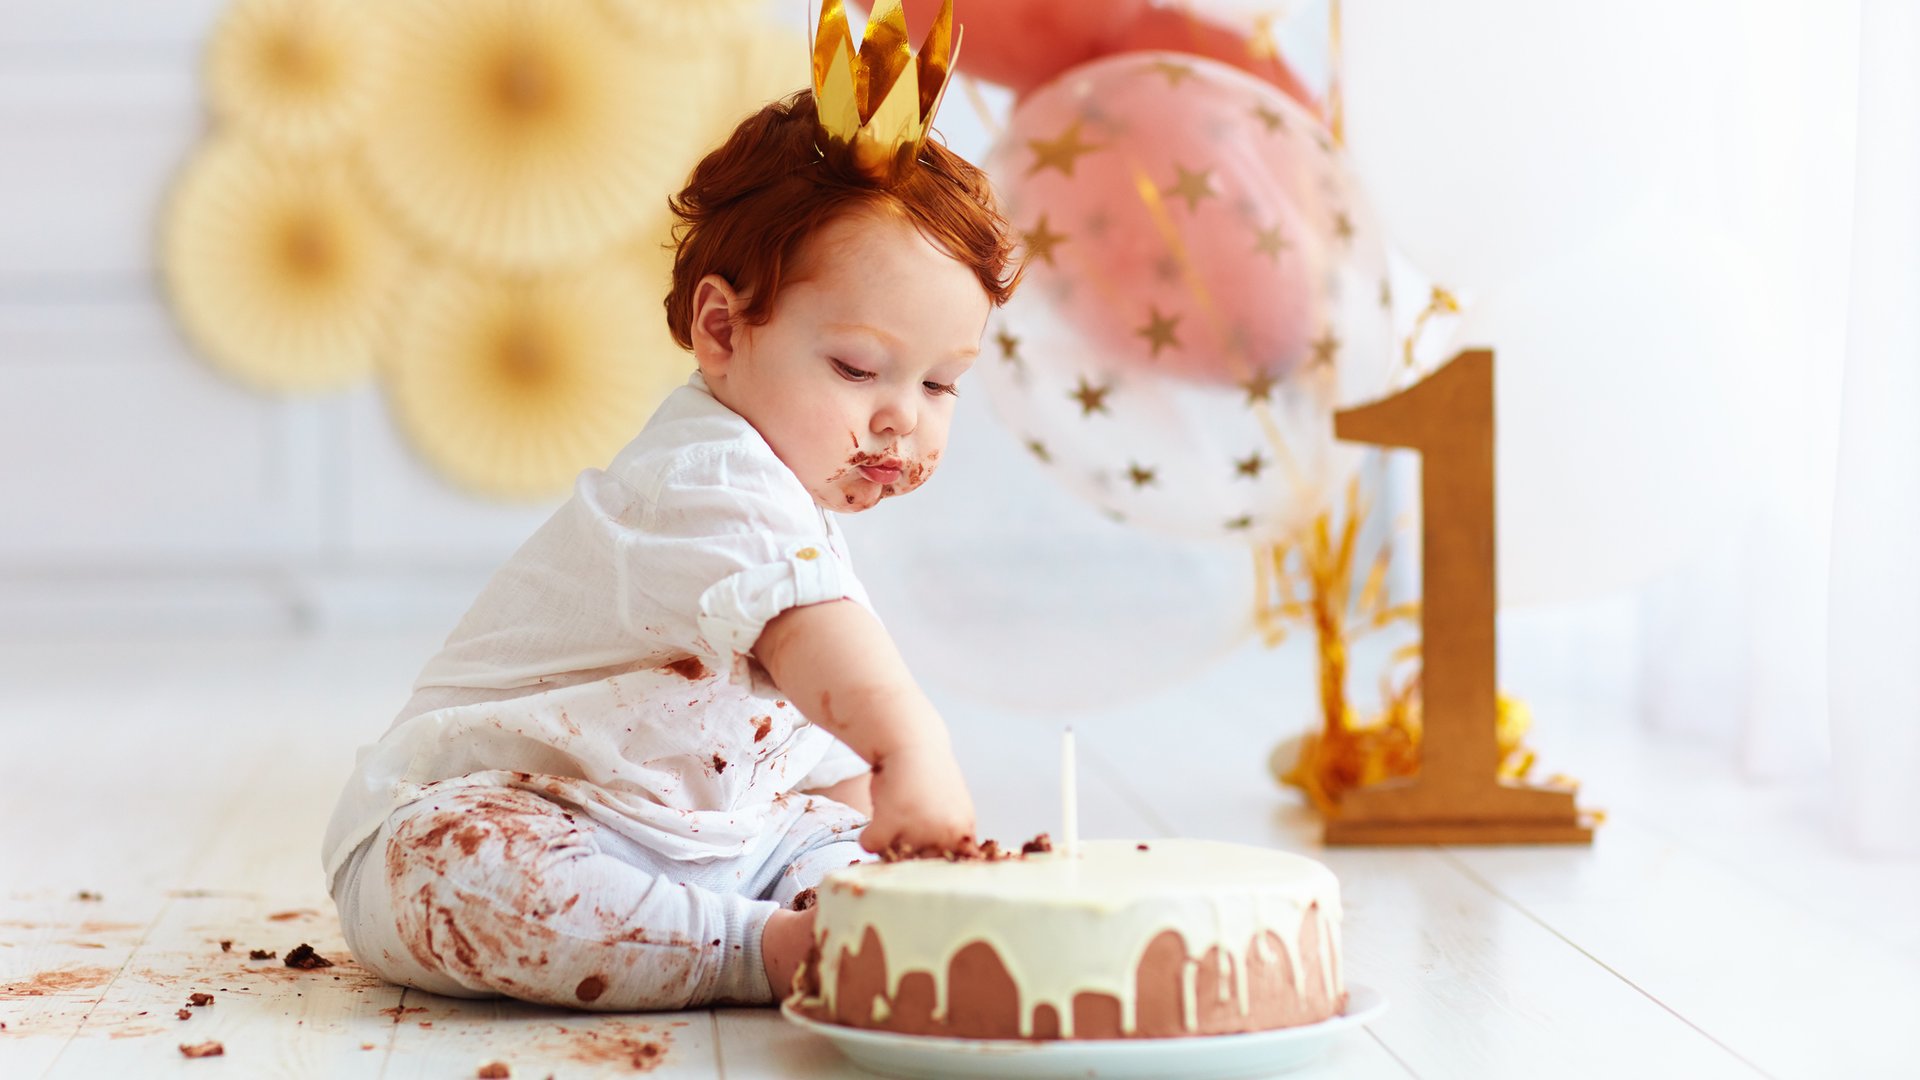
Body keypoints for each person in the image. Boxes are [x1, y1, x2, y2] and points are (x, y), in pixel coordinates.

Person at [320, 79, 1022, 1012]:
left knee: (833, 847)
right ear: (721, 330)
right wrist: (912, 750)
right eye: (858, 368)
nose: (902, 418)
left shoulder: (793, 500)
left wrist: (872, 851)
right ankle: (760, 952)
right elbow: (826, 655)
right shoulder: (707, 479)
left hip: (722, 845)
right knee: (464, 871)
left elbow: (812, 745)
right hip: (528, 810)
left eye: (940, 385)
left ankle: (830, 929)